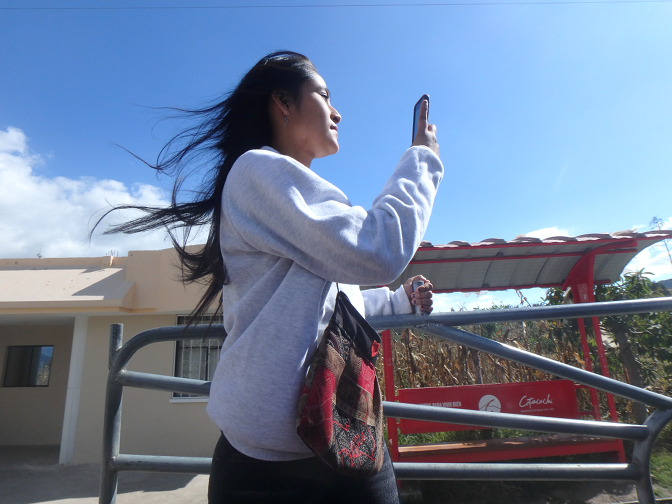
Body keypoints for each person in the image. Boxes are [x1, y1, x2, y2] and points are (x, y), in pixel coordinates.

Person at [97, 51, 442, 504]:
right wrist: (421, 162)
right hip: (267, 469)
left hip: (347, 438)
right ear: (282, 102)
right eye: (323, 95)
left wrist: (398, 303)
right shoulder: (257, 170)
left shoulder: (293, 196)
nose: (337, 111)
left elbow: (326, 300)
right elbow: (376, 249)